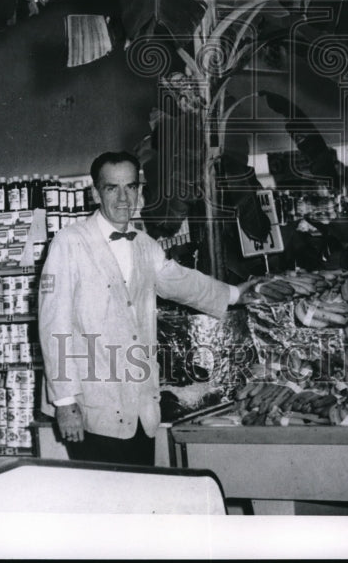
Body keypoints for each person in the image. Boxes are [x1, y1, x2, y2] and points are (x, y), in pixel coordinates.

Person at [37, 150, 250, 467]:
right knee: (106, 506)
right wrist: (65, 402)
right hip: (89, 408)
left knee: (139, 498)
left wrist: (236, 294)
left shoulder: (144, 245)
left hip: (138, 408)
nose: (124, 198)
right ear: (95, 192)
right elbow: (54, 324)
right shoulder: (69, 242)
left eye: (131, 187)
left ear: (139, 189)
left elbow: (181, 281)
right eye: (112, 188)